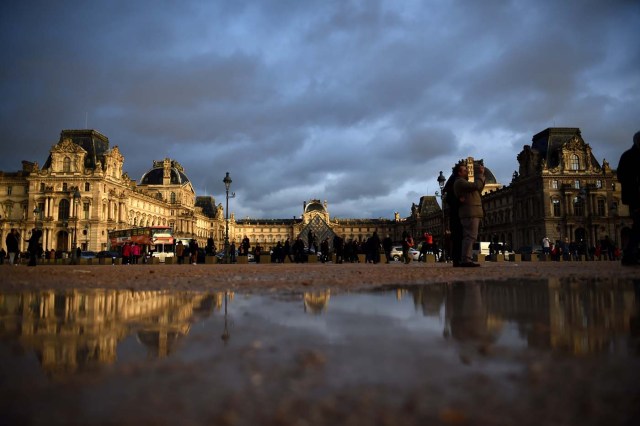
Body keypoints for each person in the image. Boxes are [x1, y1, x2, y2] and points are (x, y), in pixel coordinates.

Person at [454, 161, 485, 267]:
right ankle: (466, 260)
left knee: (470, 236)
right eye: (465, 170)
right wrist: (480, 174)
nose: (467, 171)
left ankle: (466, 259)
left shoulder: (463, 183)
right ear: (459, 173)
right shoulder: (460, 182)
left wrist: (480, 176)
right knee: (470, 237)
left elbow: (479, 187)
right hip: (470, 213)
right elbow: (477, 185)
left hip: (471, 212)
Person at [617, 131, 640, 266]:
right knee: (638, 226)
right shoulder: (629, 156)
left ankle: (631, 254)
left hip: (632, 196)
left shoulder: (627, 155)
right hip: (635, 196)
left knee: (638, 226)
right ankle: (630, 254)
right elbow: (621, 176)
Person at [444, 163, 464, 267]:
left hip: (454, 214)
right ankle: (458, 259)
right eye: (464, 170)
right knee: (458, 237)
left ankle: (457, 259)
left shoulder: (452, 180)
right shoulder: (456, 181)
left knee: (457, 237)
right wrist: (459, 201)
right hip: (457, 214)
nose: (466, 172)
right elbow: (450, 198)